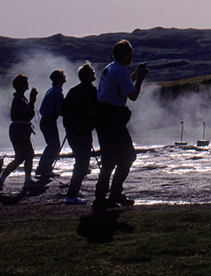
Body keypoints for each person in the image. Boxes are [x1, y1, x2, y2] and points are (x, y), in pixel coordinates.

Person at [94, 40, 148, 211]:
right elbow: (132, 95)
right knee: (128, 155)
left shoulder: (111, 68)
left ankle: (102, 195)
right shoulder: (119, 70)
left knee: (109, 158)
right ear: (125, 54)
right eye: (131, 53)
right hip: (113, 119)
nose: (132, 55)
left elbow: (121, 86)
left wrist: (133, 75)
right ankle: (113, 192)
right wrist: (139, 80)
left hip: (104, 117)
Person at [0, 74, 38, 191]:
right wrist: (33, 101)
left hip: (18, 131)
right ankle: (3, 181)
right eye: (26, 82)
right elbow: (28, 115)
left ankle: (21, 180)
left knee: (25, 156)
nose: (28, 84)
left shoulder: (20, 99)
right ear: (22, 85)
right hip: (20, 131)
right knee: (23, 156)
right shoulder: (19, 100)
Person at [62, 62, 98, 205]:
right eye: (92, 72)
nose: (94, 74)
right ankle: (71, 195)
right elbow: (96, 109)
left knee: (80, 161)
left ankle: (73, 193)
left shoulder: (72, 91)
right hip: (83, 131)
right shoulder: (91, 91)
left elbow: (63, 110)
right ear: (89, 76)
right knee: (82, 163)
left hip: (72, 131)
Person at [35, 69, 66, 180]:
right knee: (54, 145)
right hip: (49, 121)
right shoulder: (57, 92)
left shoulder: (52, 90)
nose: (65, 78)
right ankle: (45, 169)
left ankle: (43, 168)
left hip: (47, 121)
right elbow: (59, 110)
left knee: (52, 145)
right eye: (63, 76)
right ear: (59, 79)